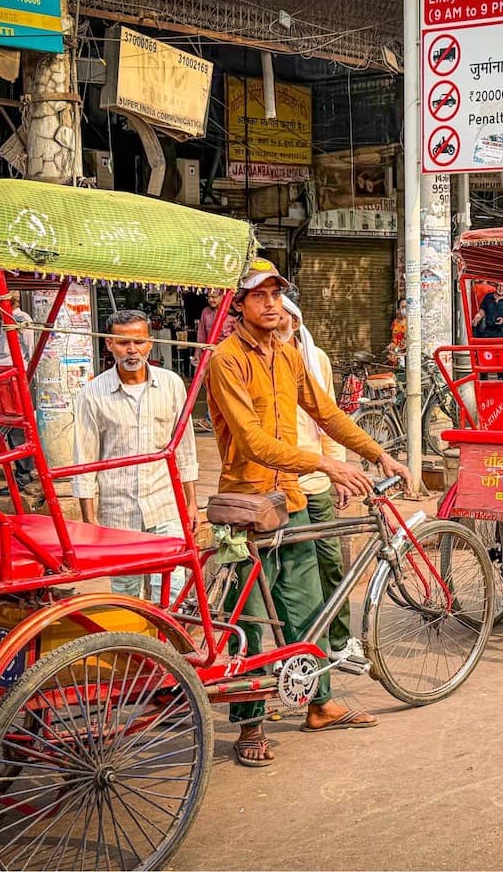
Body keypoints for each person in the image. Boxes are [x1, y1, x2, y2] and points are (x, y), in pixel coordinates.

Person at [207, 260, 410, 766]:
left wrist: (378, 452)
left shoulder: (288, 355)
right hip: (247, 507)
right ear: (240, 304)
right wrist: (321, 462)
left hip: (291, 503)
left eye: (277, 294)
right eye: (259, 295)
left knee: (307, 607)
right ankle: (250, 724)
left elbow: (327, 413)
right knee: (250, 618)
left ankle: (318, 703)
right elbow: (252, 441)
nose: (271, 303)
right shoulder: (226, 360)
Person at [73, 309, 198, 602]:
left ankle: (164, 646)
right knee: (126, 593)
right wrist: (89, 520)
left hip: (165, 504)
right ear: (108, 345)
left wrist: (191, 503)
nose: (132, 350)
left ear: (150, 343)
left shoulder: (171, 384)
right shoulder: (92, 393)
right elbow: (85, 460)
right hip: (118, 510)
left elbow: (185, 447)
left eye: (139, 342)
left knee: (169, 589)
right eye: (122, 343)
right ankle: (133, 646)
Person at [278, 294, 364, 662]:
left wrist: (338, 470)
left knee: (330, 562)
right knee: (290, 573)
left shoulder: (316, 360)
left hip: (316, 480)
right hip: (276, 484)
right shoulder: (252, 361)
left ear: (295, 322)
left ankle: (340, 641)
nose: (273, 322)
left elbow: (329, 419)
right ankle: (298, 651)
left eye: (280, 316)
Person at [0, 297, 37, 492]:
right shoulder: (5, 319)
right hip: (2, 379)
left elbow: (29, 350)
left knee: (17, 428)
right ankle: (22, 475)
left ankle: (24, 478)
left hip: (14, 380)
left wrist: (24, 377)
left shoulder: (21, 318)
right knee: (10, 428)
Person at [193, 288, 238, 432]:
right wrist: (198, 353)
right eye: (209, 297)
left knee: (228, 387)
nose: (211, 300)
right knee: (211, 387)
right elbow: (201, 334)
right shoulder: (206, 313)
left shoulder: (233, 314)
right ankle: (211, 419)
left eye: (214, 297)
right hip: (210, 354)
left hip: (228, 355)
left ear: (222, 297)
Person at [386, 297, 407, 366]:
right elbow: (395, 339)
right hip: (398, 356)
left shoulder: (414, 323)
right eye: (403, 307)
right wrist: (392, 345)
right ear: (399, 310)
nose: (405, 309)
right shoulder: (395, 323)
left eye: (407, 307)